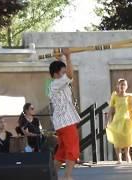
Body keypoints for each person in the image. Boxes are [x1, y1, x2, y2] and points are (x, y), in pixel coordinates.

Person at [48, 48, 81, 180]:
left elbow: (68, 74)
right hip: (66, 123)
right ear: (56, 74)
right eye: (62, 72)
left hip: (61, 123)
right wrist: (68, 57)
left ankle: (52, 176)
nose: (65, 73)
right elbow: (70, 75)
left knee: (62, 152)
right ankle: (67, 177)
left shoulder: (57, 83)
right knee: (73, 150)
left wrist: (60, 59)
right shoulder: (57, 83)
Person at [106, 79, 132, 164]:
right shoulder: (115, 96)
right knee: (117, 139)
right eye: (121, 85)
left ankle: (127, 155)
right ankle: (119, 158)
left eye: (124, 85)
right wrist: (107, 121)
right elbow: (111, 109)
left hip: (126, 120)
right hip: (117, 120)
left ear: (126, 86)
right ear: (118, 86)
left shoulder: (130, 96)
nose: (122, 86)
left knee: (126, 138)